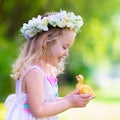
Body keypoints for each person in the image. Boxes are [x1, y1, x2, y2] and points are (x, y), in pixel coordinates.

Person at [5, 10, 94, 120]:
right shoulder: (34, 73)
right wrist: (69, 103)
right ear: (46, 42)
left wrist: (69, 98)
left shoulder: (45, 70)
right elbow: (38, 110)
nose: (67, 53)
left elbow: (47, 101)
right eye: (64, 47)